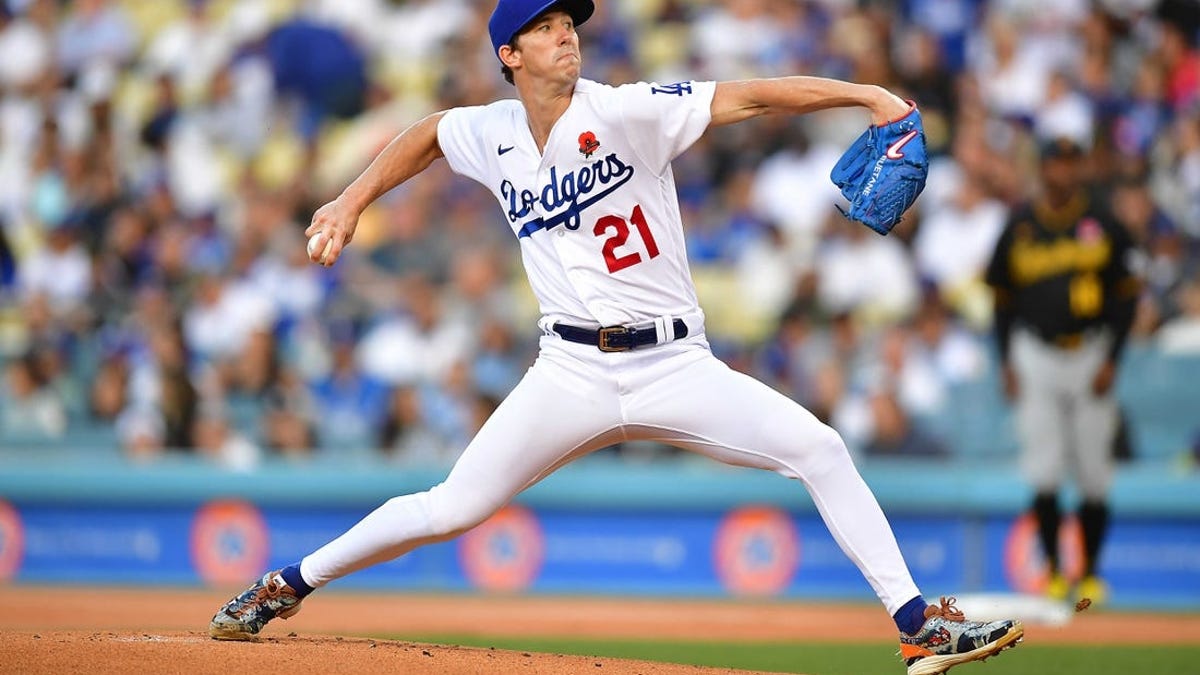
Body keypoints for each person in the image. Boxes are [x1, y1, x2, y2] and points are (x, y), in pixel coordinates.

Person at [209, 2, 1023, 672]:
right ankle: (284, 583)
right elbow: (425, 131)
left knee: (819, 448)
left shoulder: (629, 109)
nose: (567, 33)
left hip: (674, 361)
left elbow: (754, 94)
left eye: (571, 22)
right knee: (451, 506)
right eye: (547, 26)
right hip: (567, 369)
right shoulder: (490, 132)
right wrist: (351, 199)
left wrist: (867, 94)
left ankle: (917, 624)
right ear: (509, 54)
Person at [985, 136, 1140, 605]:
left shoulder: (1104, 221)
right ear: (1043, 168)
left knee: (1094, 473)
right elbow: (1001, 300)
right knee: (1045, 469)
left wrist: (1114, 357)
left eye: (1072, 164)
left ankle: (1090, 573)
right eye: (1056, 164)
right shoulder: (1021, 224)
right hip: (1035, 352)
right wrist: (1006, 360)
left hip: (1091, 351)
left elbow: (1127, 295)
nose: (1064, 173)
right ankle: (1054, 570)